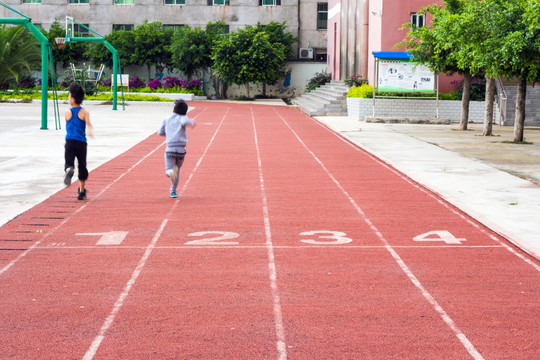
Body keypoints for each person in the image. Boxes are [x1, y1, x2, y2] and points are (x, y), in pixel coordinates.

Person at [158, 99, 195, 198]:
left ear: (173, 110)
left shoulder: (166, 119)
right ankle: (173, 191)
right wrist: (191, 122)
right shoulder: (183, 118)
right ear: (185, 112)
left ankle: (170, 172)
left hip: (170, 149)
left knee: (169, 169)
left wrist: (169, 133)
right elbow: (185, 121)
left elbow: (160, 132)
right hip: (181, 151)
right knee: (177, 170)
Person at [63, 83, 93, 200]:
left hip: (70, 141)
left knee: (69, 161)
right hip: (81, 142)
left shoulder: (67, 112)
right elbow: (89, 125)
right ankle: (81, 191)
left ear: (73, 99)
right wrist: (90, 131)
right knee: (82, 165)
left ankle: (69, 168)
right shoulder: (84, 112)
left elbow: (68, 125)